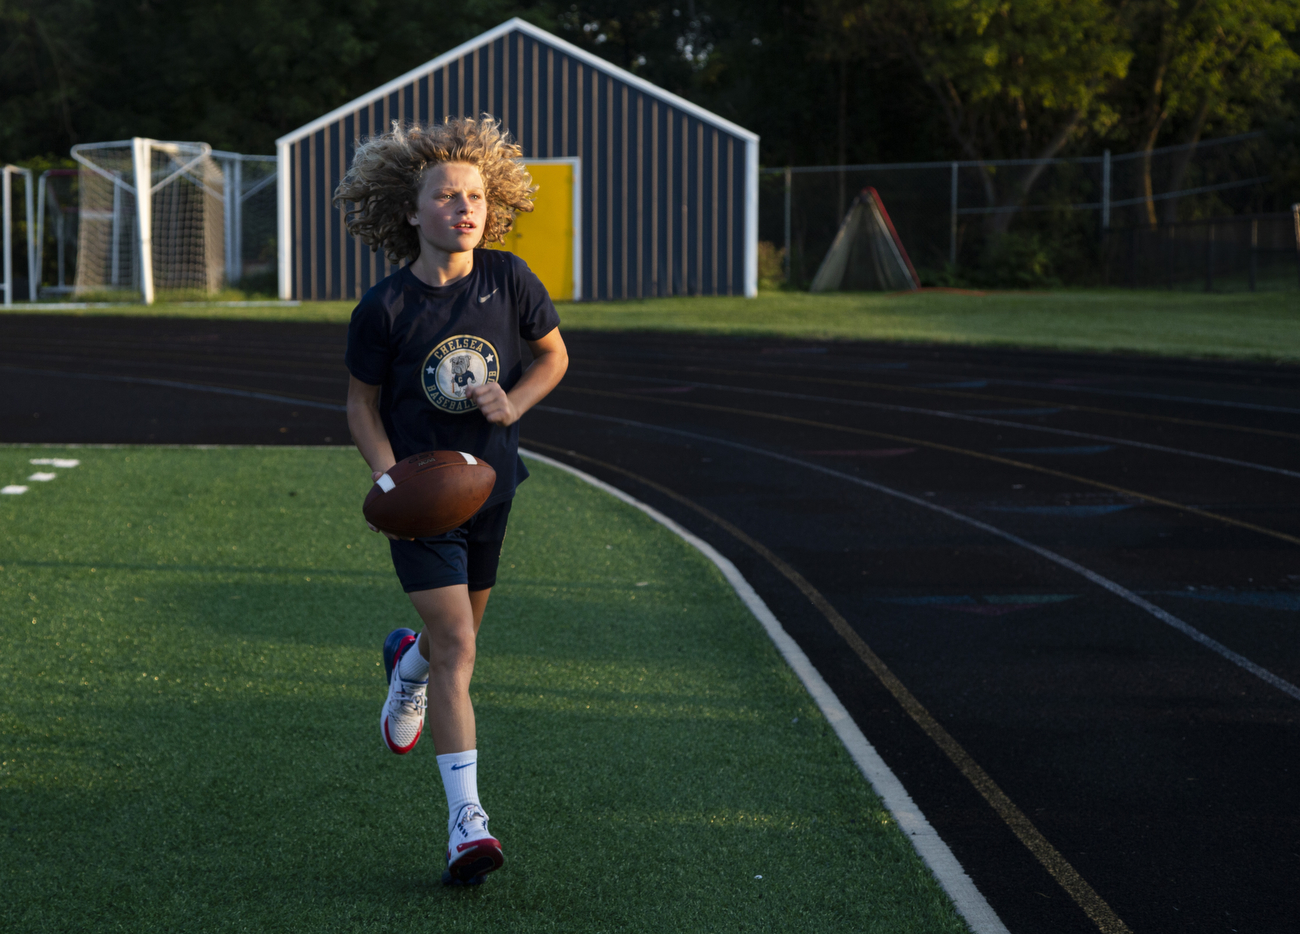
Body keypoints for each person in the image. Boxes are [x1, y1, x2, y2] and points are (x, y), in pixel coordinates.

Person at [336, 118, 568, 885]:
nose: (462, 208)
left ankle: (407, 667)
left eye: (474, 196)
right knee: (461, 649)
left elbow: (554, 356)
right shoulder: (386, 307)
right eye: (445, 196)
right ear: (412, 211)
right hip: (425, 501)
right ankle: (467, 825)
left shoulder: (510, 279)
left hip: (492, 487)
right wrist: (386, 476)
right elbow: (361, 405)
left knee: (449, 649)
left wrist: (517, 404)